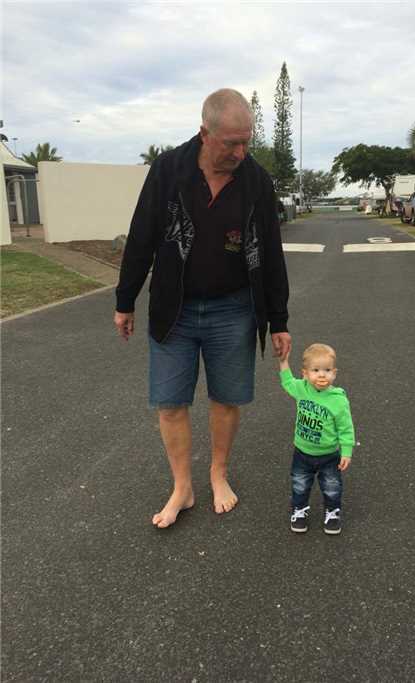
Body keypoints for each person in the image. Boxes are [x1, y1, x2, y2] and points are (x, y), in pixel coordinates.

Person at [114, 88, 291, 528]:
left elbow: (271, 253)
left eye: (246, 141)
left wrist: (279, 320)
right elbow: (141, 235)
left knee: (227, 398)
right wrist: (125, 300)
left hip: (234, 309)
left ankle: (218, 473)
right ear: (204, 133)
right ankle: (182, 487)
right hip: (173, 309)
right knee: (170, 402)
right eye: (231, 142)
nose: (241, 152)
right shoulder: (168, 171)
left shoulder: (256, 181)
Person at [278, 343, 355, 535]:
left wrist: (346, 451)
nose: (322, 375)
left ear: (334, 373)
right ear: (305, 373)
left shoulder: (338, 400)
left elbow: (346, 428)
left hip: (329, 455)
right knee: (300, 485)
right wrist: (283, 362)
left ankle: (332, 512)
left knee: (332, 487)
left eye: (327, 370)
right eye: (316, 370)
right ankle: (299, 510)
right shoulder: (302, 389)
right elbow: (287, 382)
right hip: (302, 453)